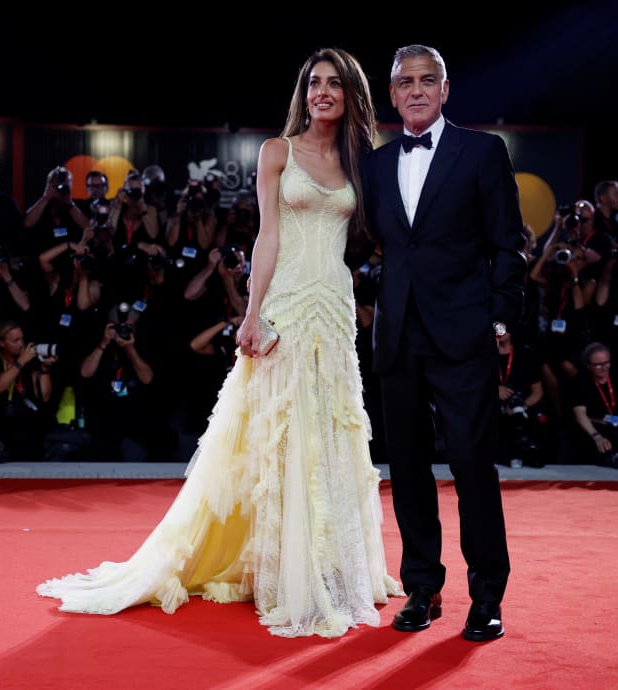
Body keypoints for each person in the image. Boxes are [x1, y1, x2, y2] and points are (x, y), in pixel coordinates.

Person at [37, 47, 403, 638]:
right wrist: (251, 312)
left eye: (334, 84)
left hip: (334, 307)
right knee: (282, 433)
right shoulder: (277, 152)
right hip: (285, 305)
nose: (322, 93)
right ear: (304, 92)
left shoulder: (361, 161)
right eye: (314, 83)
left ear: (351, 93)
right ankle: (286, 570)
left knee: (330, 430)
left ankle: (329, 562)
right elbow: (267, 237)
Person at [359, 44, 527, 642]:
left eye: (428, 81)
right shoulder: (375, 165)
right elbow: (358, 248)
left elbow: (510, 245)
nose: (417, 91)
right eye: (405, 82)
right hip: (398, 337)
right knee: (406, 470)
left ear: (446, 89)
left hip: (464, 335)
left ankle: (486, 597)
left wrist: (501, 321)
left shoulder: (483, 152)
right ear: (393, 93)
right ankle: (422, 588)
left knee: (473, 467)